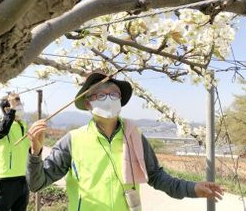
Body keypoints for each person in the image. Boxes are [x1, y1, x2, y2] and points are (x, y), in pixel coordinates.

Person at [26, 71, 224, 211]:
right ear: (88, 103)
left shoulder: (134, 136)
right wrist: (35, 152)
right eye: (101, 95)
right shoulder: (72, 140)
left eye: (114, 94)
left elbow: (156, 176)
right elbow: (37, 184)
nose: (109, 99)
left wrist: (191, 188)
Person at [0, 93, 30, 211]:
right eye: (16, 106)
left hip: (23, 179)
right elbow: (2, 131)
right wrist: (12, 111)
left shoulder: (23, 125)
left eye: (20, 105)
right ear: (7, 109)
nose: (20, 108)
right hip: (5, 179)